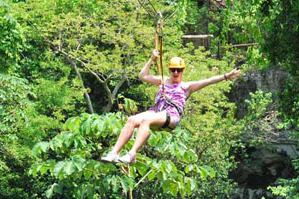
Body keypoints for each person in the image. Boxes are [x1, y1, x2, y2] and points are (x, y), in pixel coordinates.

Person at [101, 50, 242, 164]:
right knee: (131, 120)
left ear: (183, 71)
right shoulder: (162, 81)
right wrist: (151, 59)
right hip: (156, 112)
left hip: (171, 116)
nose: (176, 72)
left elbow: (208, 81)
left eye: (179, 70)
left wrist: (227, 76)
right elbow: (142, 76)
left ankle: (132, 154)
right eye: (173, 69)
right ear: (169, 70)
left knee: (146, 121)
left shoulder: (186, 87)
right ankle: (114, 153)